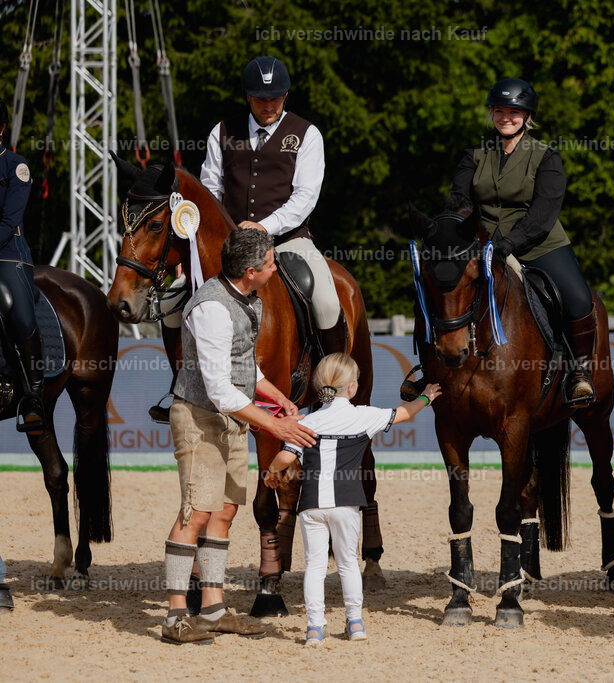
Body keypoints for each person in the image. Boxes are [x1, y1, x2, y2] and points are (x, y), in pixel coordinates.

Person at [150, 55, 340, 422]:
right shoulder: (223, 131)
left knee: (328, 301)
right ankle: (179, 385)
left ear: (286, 96)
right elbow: (209, 190)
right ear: (247, 97)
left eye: (275, 99)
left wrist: (264, 227)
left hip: (287, 241)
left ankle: (331, 388)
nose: (267, 106)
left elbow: (304, 197)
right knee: (172, 301)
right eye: (259, 99)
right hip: (230, 247)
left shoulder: (306, 134)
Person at [161, 228, 317, 644]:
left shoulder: (248, 298)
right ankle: (176, 616)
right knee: (194, 513)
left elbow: (246, 366)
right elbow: (219, 388)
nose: (274, 268)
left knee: (225, 512)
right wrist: (276, 425)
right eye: (270, 263)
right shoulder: (212, 308)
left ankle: (212, 610)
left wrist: (279, 397)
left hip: (230, 417)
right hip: (199, 416)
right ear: (251, 271)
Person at [264, 353, 442, 646]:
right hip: (347, 505)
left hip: (311, 506)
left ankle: (314, 627)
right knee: (347, 563)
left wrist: (272, 472)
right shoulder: (364, 416)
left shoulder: (307, 421)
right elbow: (405, 413)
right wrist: (426, 397)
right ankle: (355, 622)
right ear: (351, 388)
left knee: (315, 566)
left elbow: (285, 457)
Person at [447, 77, 597, 405]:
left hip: (539, 244)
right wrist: (471, 232)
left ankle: (580, 373)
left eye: (514, 112)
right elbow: (460, 199)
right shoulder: (474, 155)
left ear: (527, 116)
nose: (506, 117)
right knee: (442, 285)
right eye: (499, 111)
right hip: (483, 245)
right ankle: (427, 368)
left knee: (579, 300)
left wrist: (508, 242)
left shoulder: (546, 157)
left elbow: (543, 213)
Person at [0, 96, 47, 434]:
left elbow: (9, 219)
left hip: (8, 253)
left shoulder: (16, 166)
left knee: (16, 308)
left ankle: (32, 396)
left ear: (1, 129)